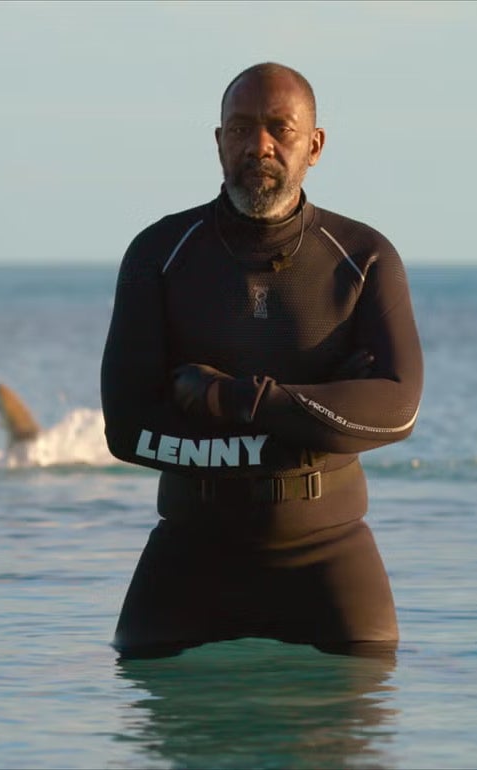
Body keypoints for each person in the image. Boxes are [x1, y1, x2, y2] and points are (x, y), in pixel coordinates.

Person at [99, 61, 423, 660]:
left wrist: (234, 399)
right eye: (241, 128)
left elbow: (396, 410)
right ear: (219, 141)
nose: (260, 145)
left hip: (329, 557)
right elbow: (126, 429)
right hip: (190, 556)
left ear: (315, 145)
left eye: (280, 128)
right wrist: (311, 428)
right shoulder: (159, 255)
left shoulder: (363, 257)